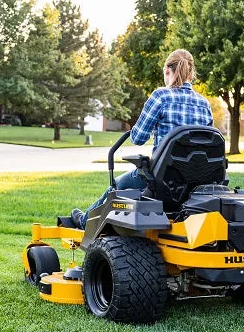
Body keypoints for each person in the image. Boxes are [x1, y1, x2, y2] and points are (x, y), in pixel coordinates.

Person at [71, 49, 213, 229]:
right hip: (198, 179)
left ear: (167, 71)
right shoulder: (204, 104)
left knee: (117, 188)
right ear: (191, 73)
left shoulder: (160, 97)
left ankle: (85, 222)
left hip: (162, 179)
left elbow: (137, 138)